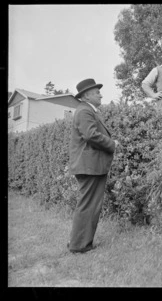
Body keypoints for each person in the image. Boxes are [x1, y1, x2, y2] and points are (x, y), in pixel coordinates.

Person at [68, 78, 120, 253]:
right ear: (86, 96)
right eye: (97, 92)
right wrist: (112, 144)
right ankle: (80, 245)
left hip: (89, 165)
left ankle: (79, 242)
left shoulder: (86, 110)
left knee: (88, 204)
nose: (101, 95)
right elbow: (91, 135)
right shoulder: (84, 111)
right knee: (89, 205)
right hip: (89, 166)